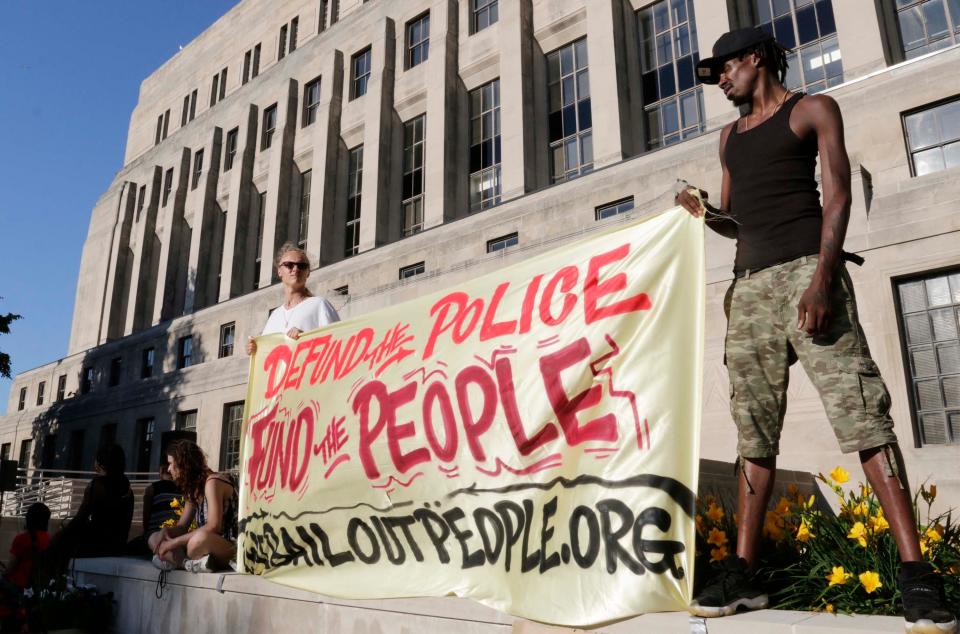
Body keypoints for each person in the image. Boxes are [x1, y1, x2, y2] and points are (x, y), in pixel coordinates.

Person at [676, 27, 955, 633]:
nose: (720, 80)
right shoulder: (728, 137)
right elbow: (736, 221)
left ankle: (916, 575)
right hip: (747, 289)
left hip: (809, 272)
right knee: (753, 430)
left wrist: (823, 279)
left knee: (862, 416)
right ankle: (745, 576)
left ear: (755, 59)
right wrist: (707, 213)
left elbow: (837, 194)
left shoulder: (813, 109)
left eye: (725, 68)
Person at [149, 440, 237, 573]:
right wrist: (167, 532)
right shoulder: (193, 489)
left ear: (183, 465)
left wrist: (173, 543)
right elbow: (182, 526)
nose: (168, 469)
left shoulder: (212, 482)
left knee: (196, 542)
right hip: (206, 545)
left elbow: (214, 526)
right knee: (154, 538)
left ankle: (179, 562)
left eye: (171, 463)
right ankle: (188, 564)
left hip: (227, 546)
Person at [245, 242, 340, 357]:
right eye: (289, 265)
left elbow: (338, 345)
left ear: (308, 273)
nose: (295, 269)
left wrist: (305, 339)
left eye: (302, 266)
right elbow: (267, 358)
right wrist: (255, 350)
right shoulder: (274, 315)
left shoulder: (319, 304)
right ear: (279, 271)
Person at [47, 444, 134, 567]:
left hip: (96, 546)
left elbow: (80, 520)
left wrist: (57, 538)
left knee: (56, 548)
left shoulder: (97, 485)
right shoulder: (128, 490)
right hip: (117, 547)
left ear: (100, 464)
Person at [127, 461, 181, 556]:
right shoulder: (184, 489)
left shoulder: (152, 489)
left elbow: (146, 520)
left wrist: (145, 533)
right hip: (176, 534)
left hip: (156, 534)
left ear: (161, 471)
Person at [5, 503, 51, 589]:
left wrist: (4, 574)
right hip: (39, 587)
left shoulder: (22, 538)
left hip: (18, 586)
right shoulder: (49, 539)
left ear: (29, 518)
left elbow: (11, 565)